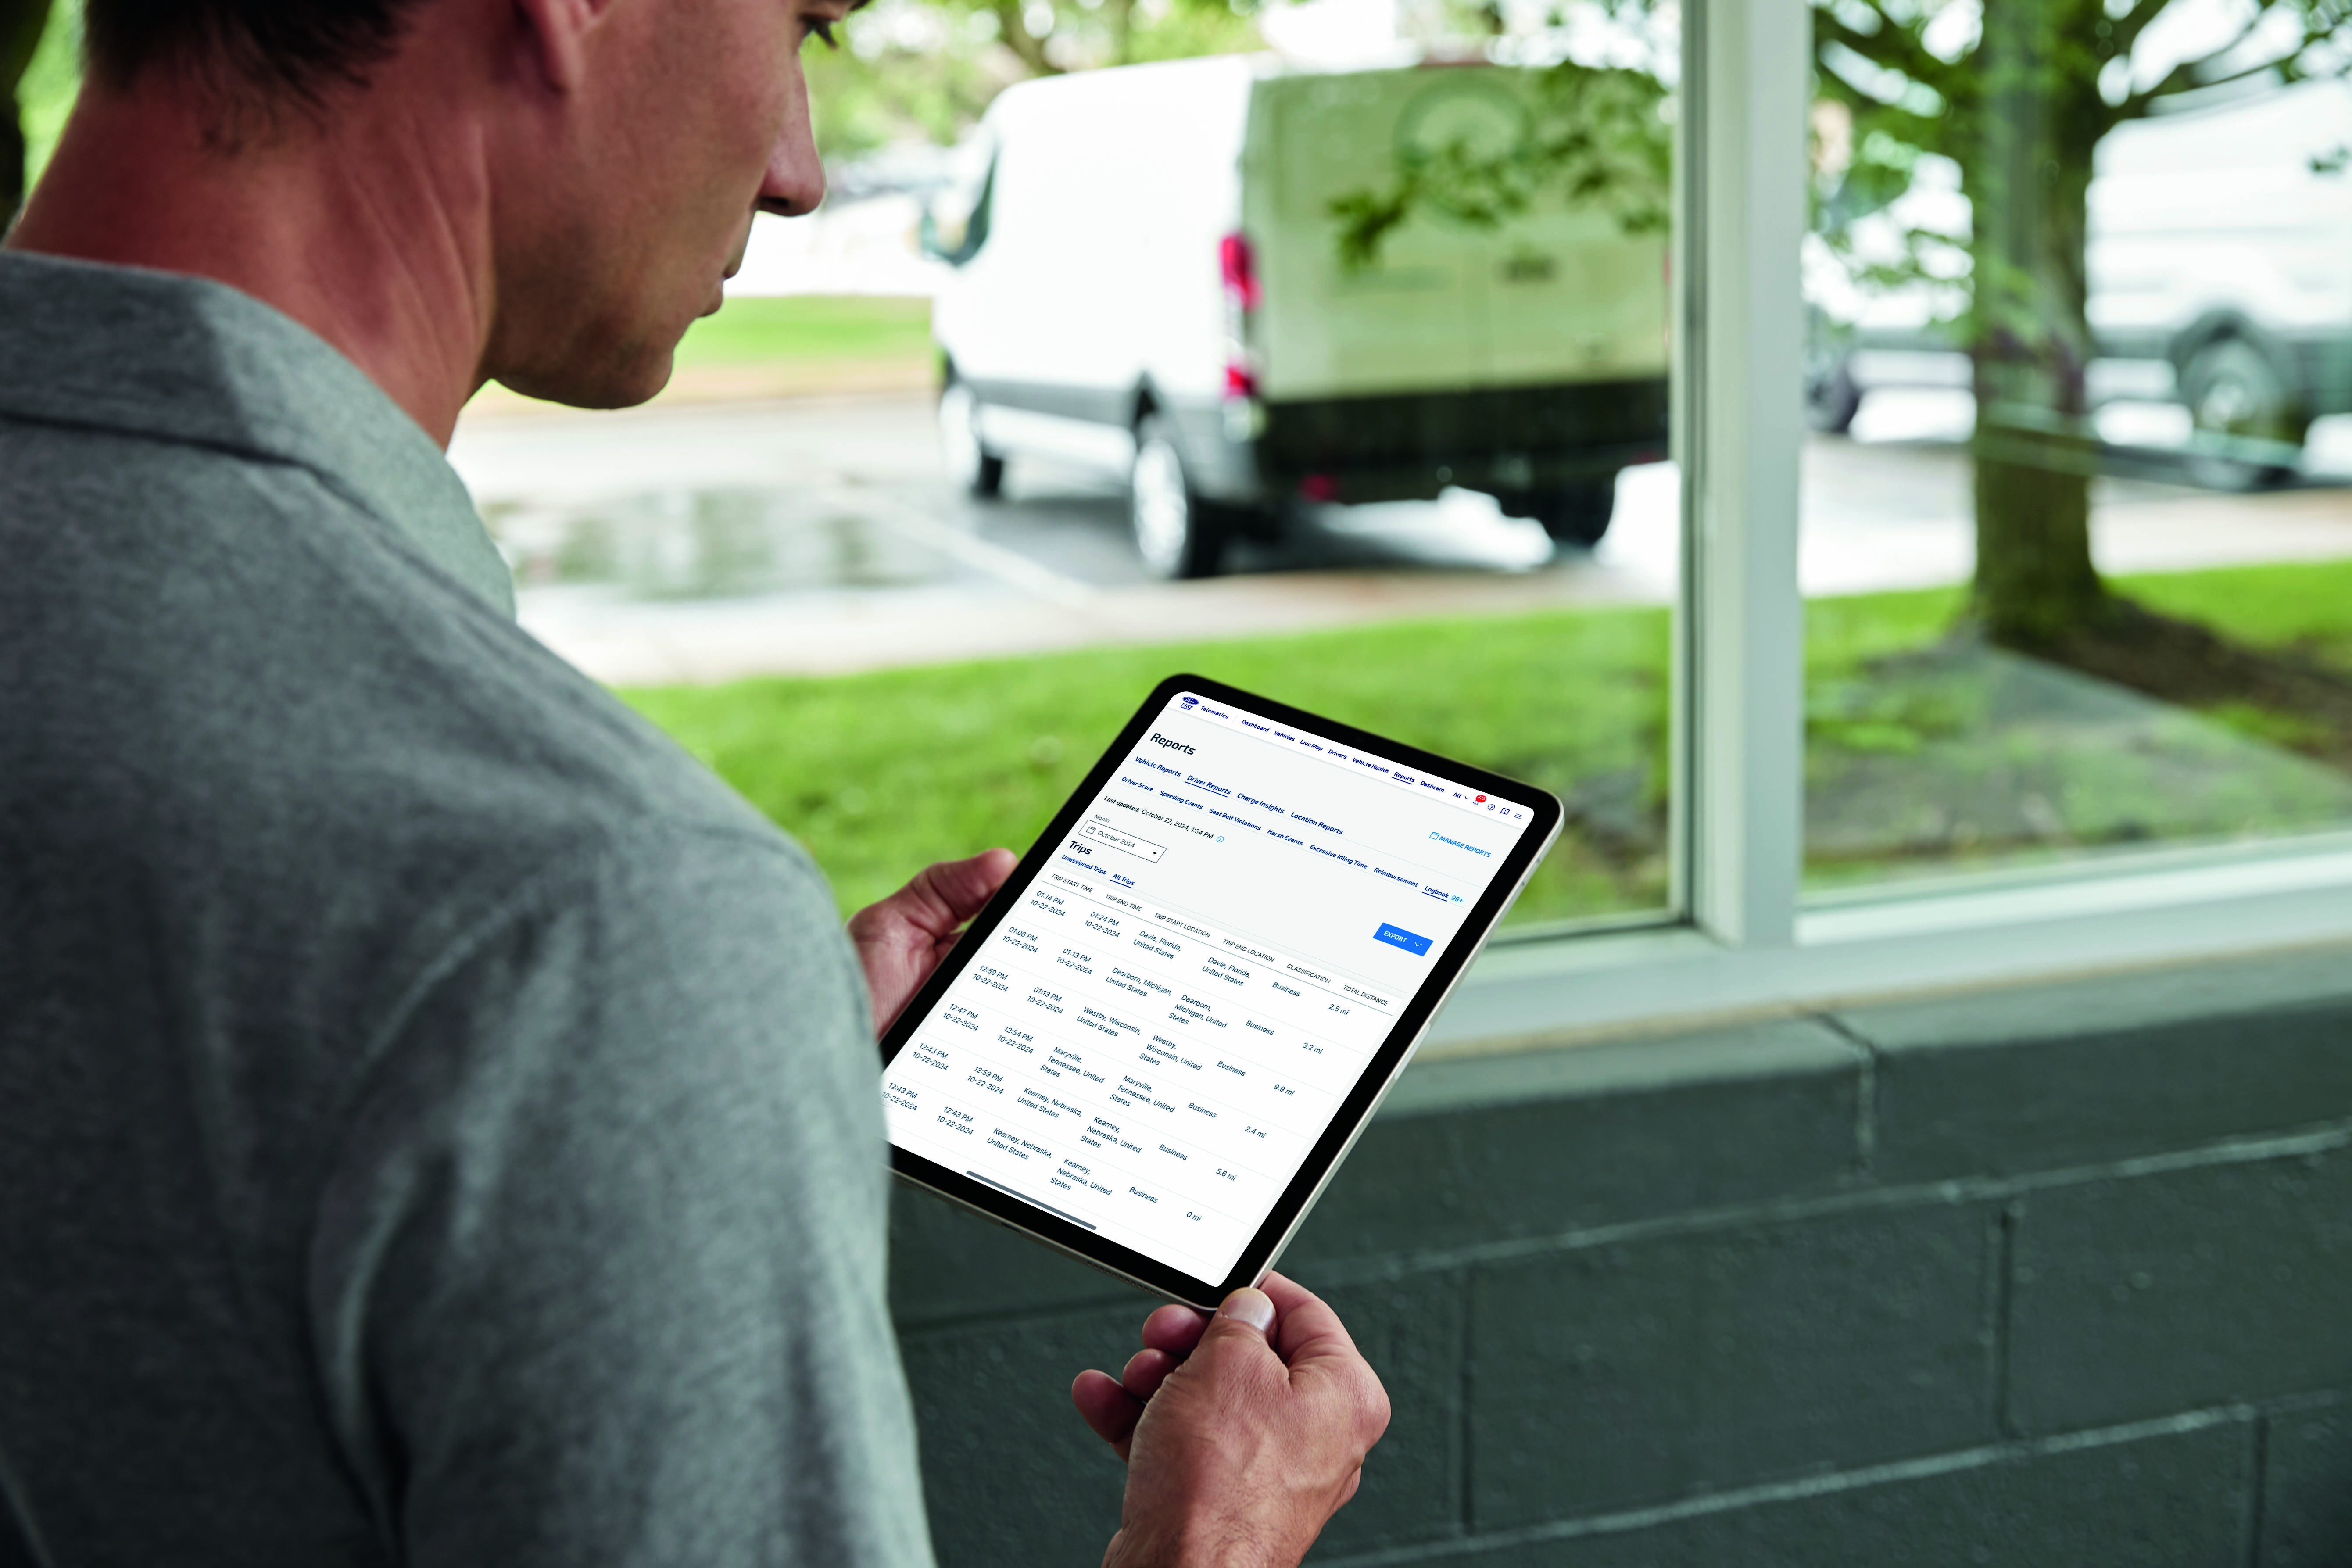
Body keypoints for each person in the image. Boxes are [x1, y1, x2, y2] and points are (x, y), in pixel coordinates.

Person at [0, 0, 1389, 1563]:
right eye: (803, 28)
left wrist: (662, 1091)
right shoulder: (591, 911)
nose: (800, 172)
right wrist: (1213, 1541)